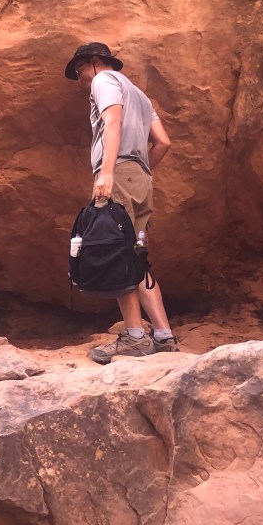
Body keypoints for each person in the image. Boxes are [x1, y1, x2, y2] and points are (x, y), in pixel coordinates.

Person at [64, 42, 179, 363]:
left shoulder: (104, 80)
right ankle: (164, 336)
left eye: (80, 69)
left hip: (117, 175)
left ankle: (135, 337)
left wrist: (108, 172)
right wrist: (139, 172)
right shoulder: (140, 96)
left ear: (95, 61)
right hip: (141, 180)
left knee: (115, 252)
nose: (80, 78)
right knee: (137, 255)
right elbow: (163, 142)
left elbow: (112, 122)